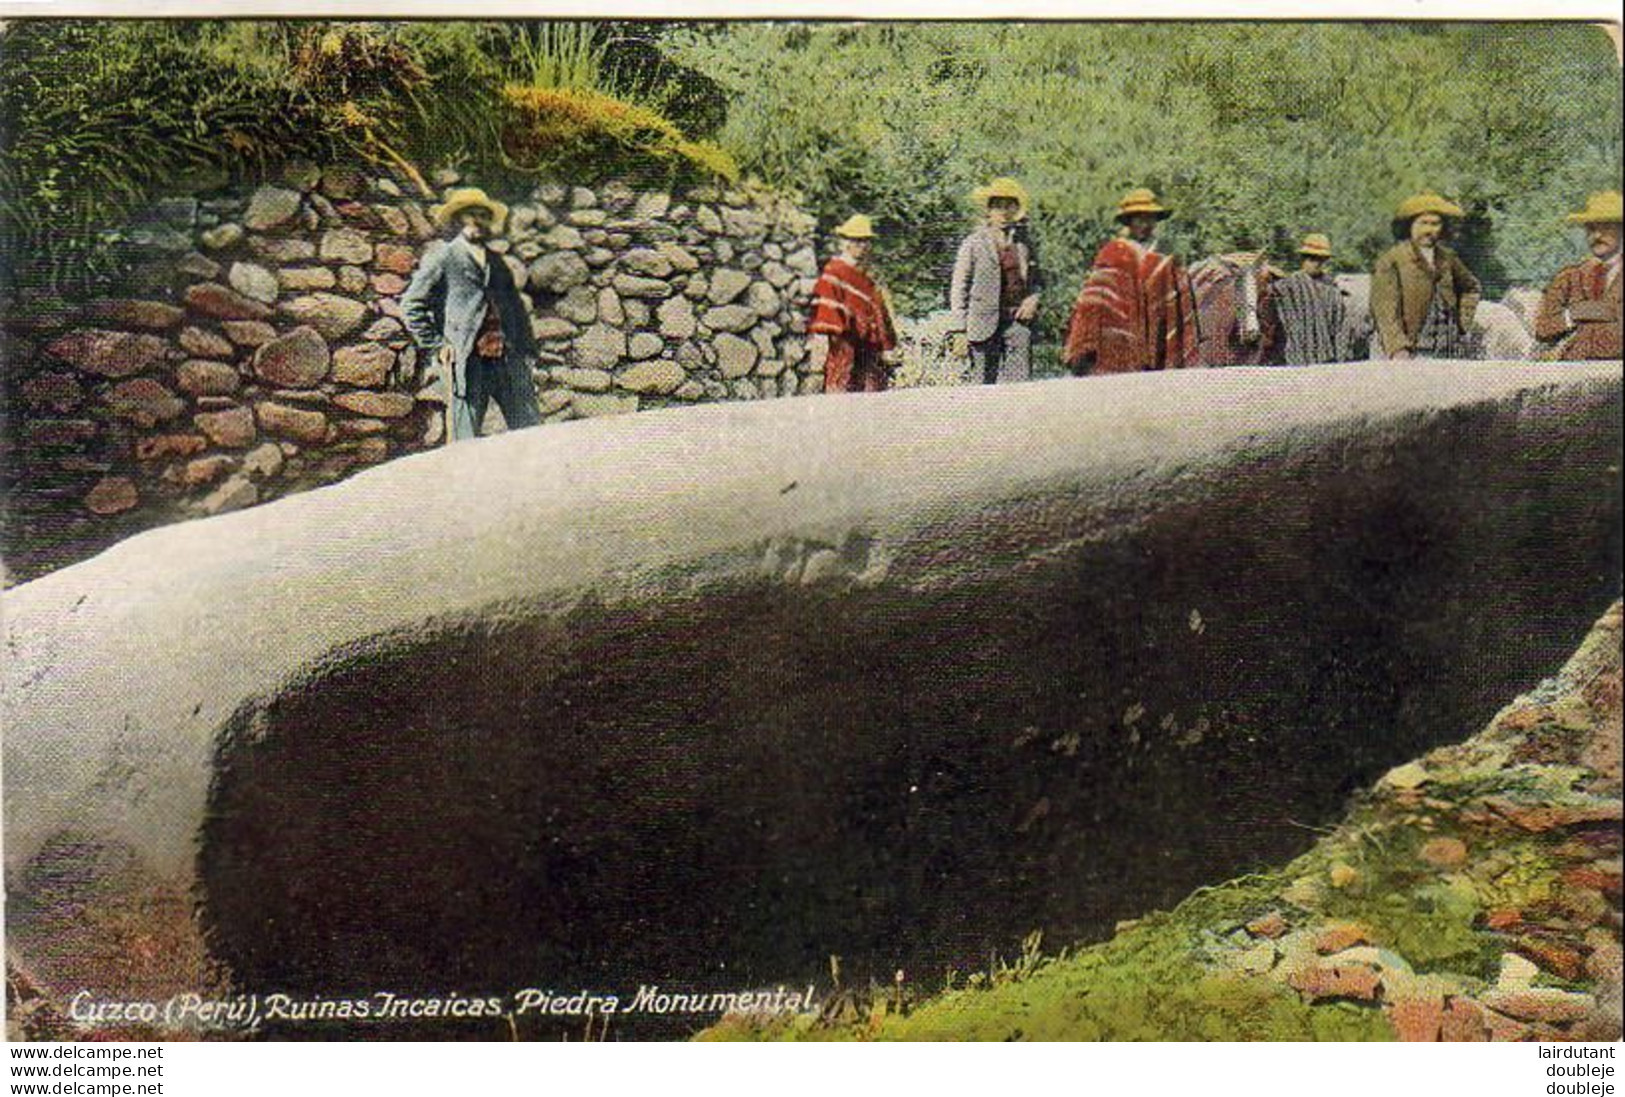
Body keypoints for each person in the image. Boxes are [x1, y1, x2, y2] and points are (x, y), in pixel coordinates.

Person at [401, 187, 541, 442]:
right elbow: (411, 304)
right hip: (468, 360)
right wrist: (436, 344)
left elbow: (515, 309)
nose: (476, 221)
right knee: (465, 441)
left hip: (506, 358)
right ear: (458, 219)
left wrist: (525, 349)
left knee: (530, 431)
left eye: (482, 215)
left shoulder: (496, 261)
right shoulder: (444, 256)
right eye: (469, 214)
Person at [1063, 187, 1200, 374]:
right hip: (1118, 337)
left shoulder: (1167, 257)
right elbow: (1096, 302)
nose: (1145, 224)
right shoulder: (1113, 252)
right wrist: (1086, 342)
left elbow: (1178, 304)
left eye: (1149, 218)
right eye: (1139, 218)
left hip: (1158, 337)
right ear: (1129, 221)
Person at [948, 177, 1044, 384]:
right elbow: (959, 288)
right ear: (989, 211)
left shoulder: (1024, 244)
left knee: (1020, 388)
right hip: (982, 326)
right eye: (998, 206)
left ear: (1016, 210)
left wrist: (1032, 300)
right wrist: (959, 330)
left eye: (1009, 206)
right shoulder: (973, 244)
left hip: (1016, 324)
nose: (1003, 213)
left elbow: (1038, 281)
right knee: (982, 388)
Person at [1370, 192, 1482, 360]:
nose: (1430, 230)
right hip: (1411, 351)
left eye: (1435, 224)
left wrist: (1462, 323)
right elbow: (1385, 310)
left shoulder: (1448, 258)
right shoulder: (1392, 261)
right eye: (1423, 223)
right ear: (1410, 226)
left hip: (1448, 350)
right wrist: (1398, 348)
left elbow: (1471, 287)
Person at [809, 215, 898, 393]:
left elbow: (878, 311)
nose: (862, 246)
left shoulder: (868, 276)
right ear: (845, 242)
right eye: (856, 240)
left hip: (870, 352)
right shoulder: (835, 271)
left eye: (865, 241)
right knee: (843, 397)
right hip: (845, 347)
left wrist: (886, 343)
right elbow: (827, 311)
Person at [1534, 190, 1622, 361]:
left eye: (1605, 228)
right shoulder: (1570, 277)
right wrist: (1571, 315)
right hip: (1574, 371)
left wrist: (1601, 314)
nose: (1596, 236)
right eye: (1590, 229)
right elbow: (1542, 328)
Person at [1266, 233, 1353, 365]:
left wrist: (1340, 359)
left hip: (1326, 360)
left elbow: (1341, 328)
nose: (1316, 263)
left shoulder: (1332, 291)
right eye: (1311, 259)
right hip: (1294, 359)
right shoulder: (1289, 285)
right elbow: (1267, 294)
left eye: (1320, 259)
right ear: (1303, 259)